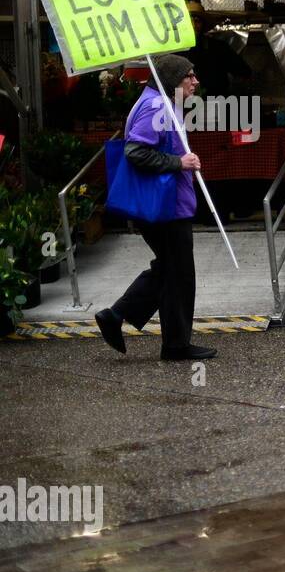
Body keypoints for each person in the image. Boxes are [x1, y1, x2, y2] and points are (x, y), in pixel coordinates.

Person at [94, 55, 214, 362]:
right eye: (189, 76)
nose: (195, 81)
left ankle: (118, 317)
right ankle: (173, 345)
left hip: (168, 205)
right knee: (179, 274)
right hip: (165, 208)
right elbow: (135, 151)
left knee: (170, 270)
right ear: (173, 80)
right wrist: (179, 163)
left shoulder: (159, 103)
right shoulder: (156, 106)